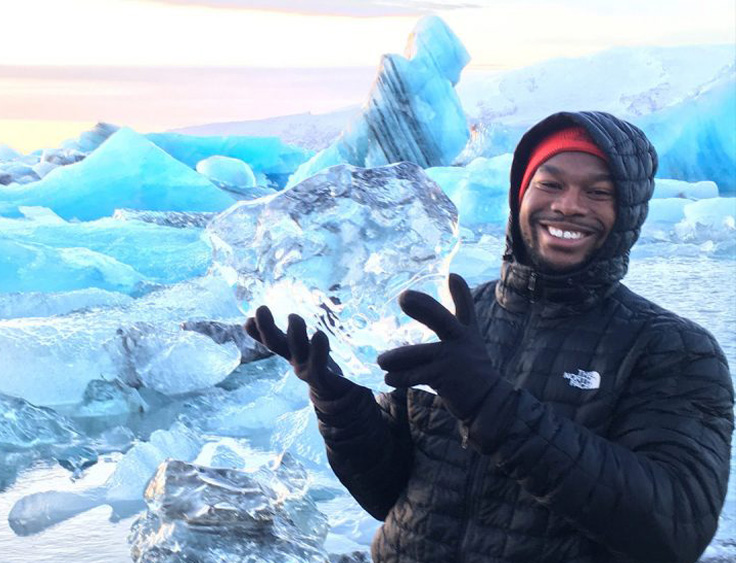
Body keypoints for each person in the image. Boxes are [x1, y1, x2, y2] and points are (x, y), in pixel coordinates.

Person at [245, 111, 733, 562]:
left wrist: (488, 403)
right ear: (521, 193)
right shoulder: (452, 317)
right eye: (550, 183)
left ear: (629, 212)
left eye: (598, 192)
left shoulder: (673, 349)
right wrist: (339, 395)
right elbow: (386, 495)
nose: (568, 206)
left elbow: (674, 530)